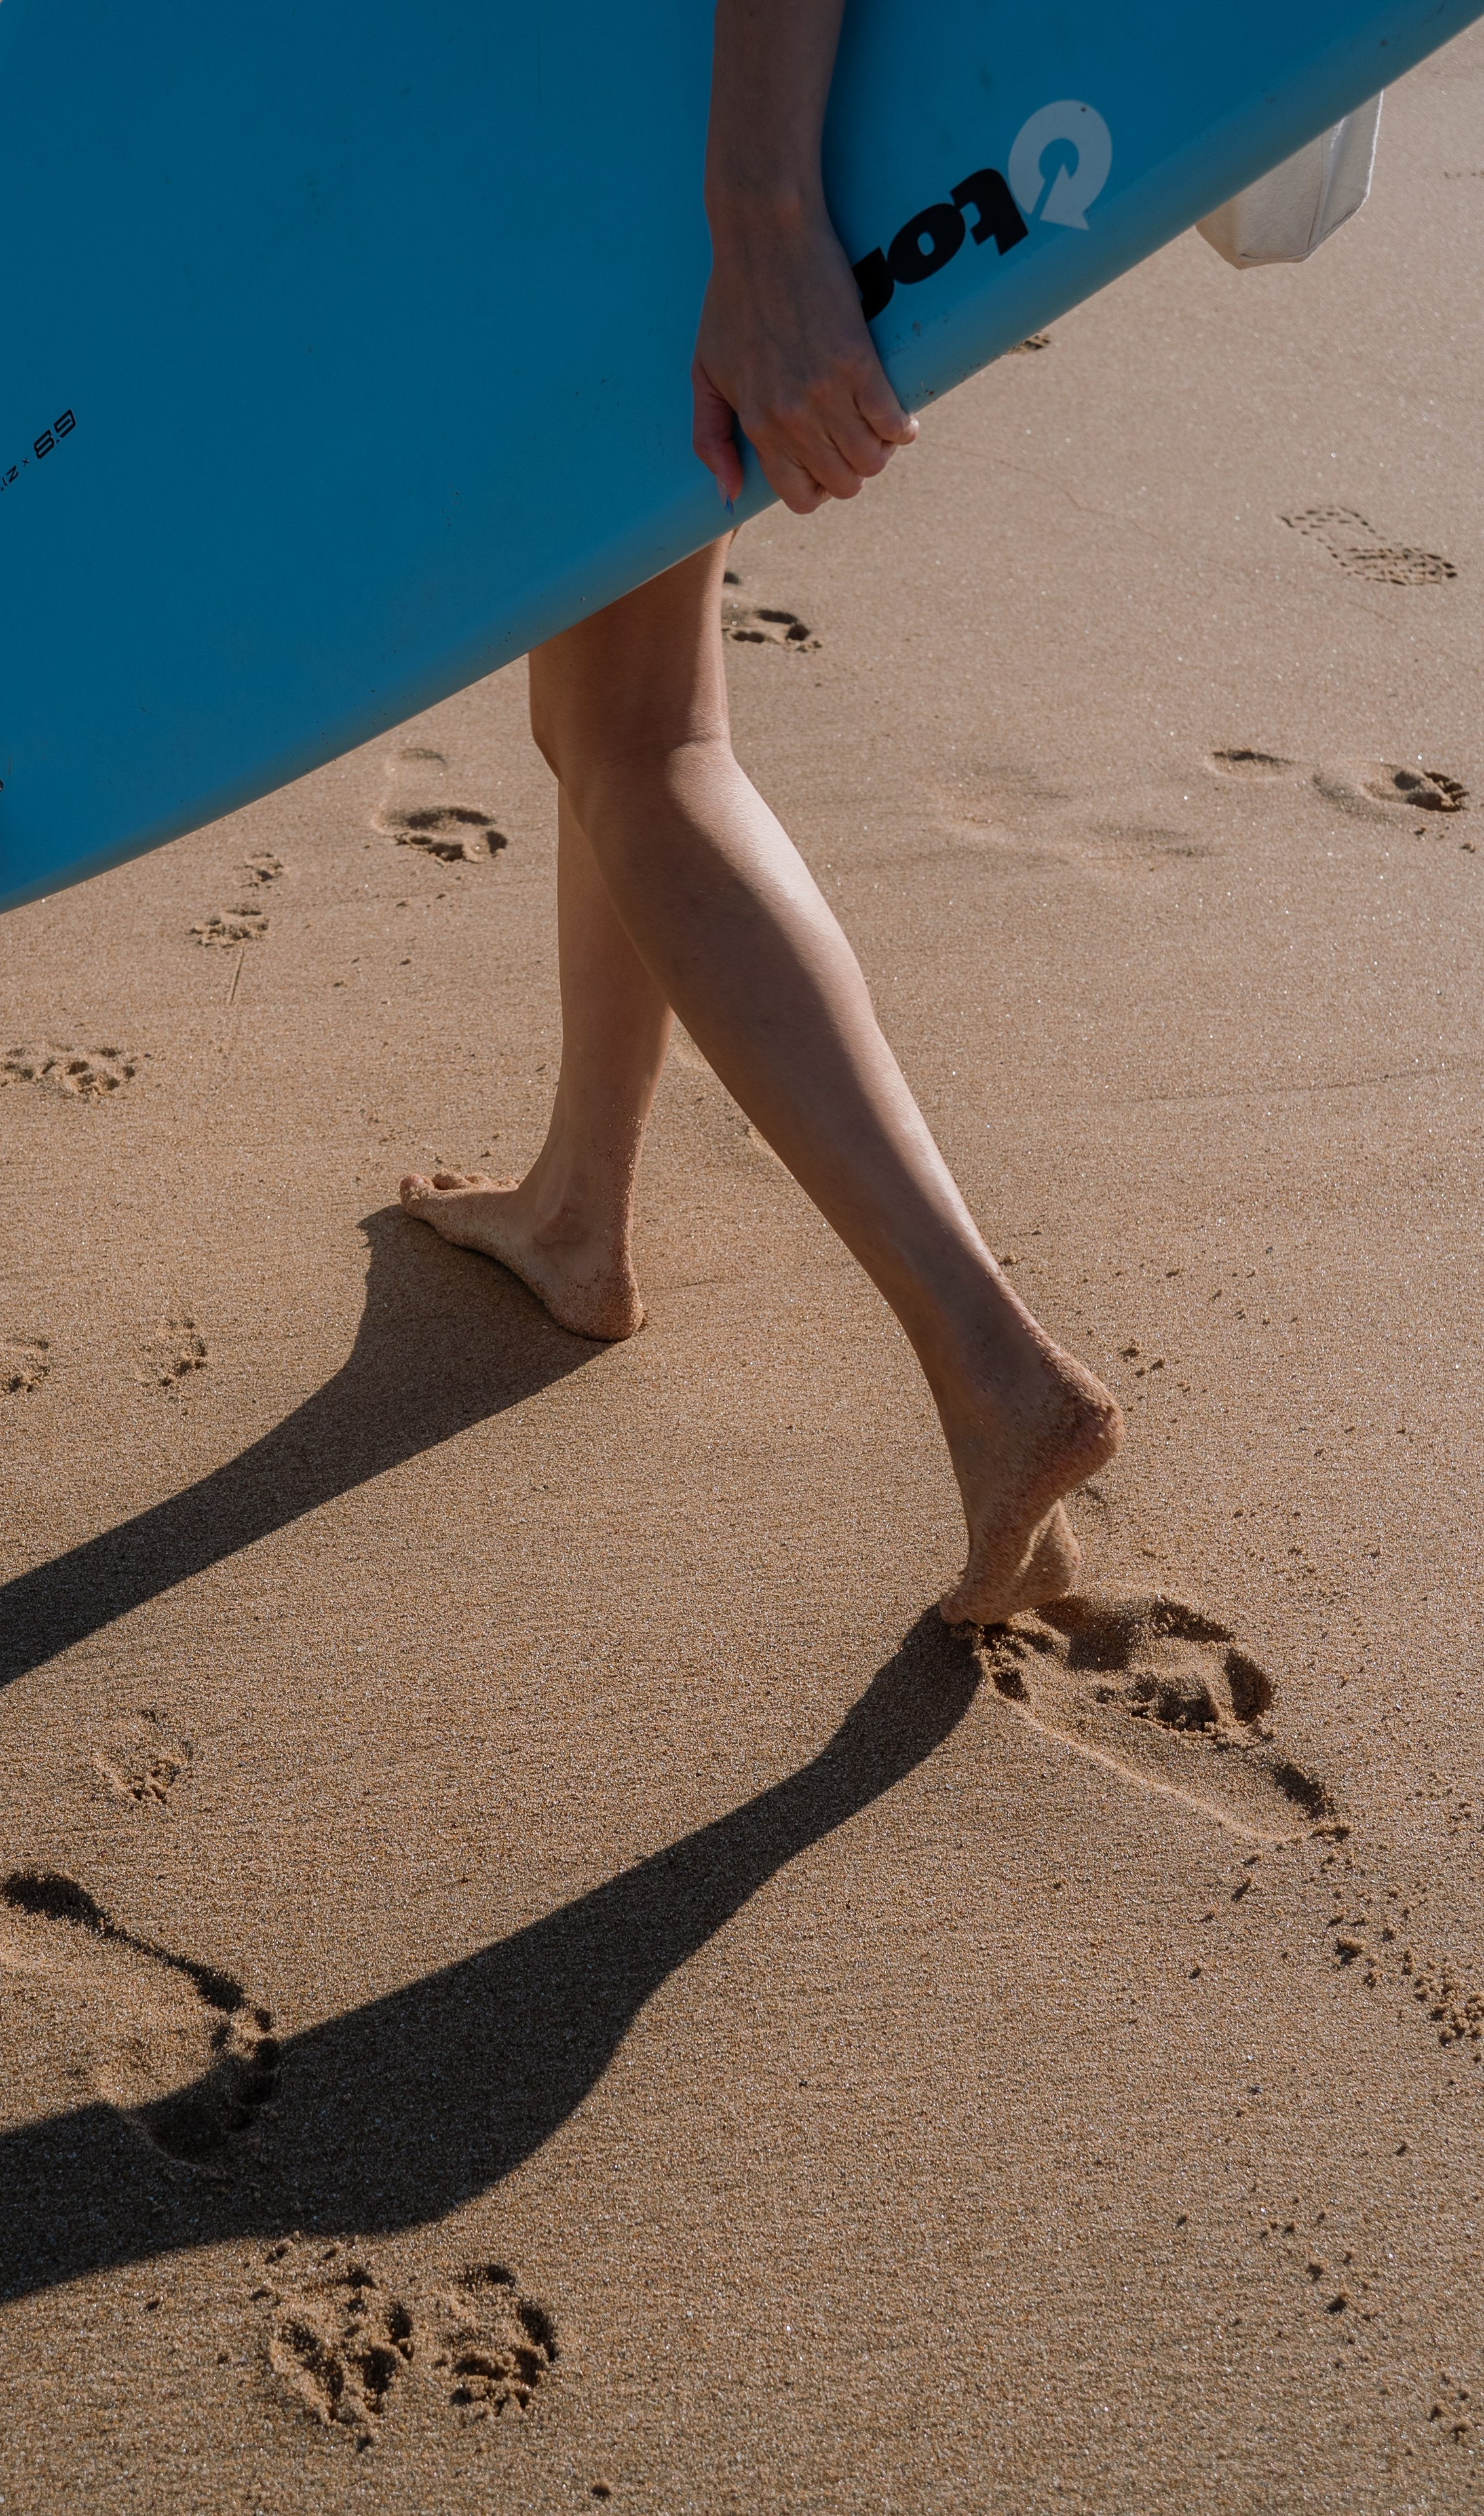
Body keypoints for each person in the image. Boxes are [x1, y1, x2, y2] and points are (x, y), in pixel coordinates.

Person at [400, 0, 1122, 1625]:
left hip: (656, 115)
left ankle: (995, 1368)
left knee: (637, 731)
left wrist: (760, 212)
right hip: (635, 99)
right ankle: (578, 1209)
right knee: (613, 698)